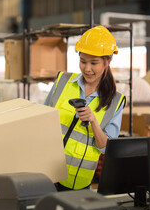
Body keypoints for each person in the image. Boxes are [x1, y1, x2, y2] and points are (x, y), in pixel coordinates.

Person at [45, 26, 126, 191]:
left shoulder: (115, 101)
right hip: (46, 173)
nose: (87, 69)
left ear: (107, 62)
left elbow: (105, 148)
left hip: (78, 183)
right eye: (83, 61)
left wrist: (93, 121)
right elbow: (41, 119)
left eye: (94, 63)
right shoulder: (62, 81)